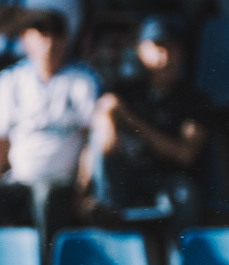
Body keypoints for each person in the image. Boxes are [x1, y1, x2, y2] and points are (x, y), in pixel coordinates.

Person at [0, 9, 99, 247]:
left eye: (55, 35)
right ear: (26, 39)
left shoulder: (82, 79)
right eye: (41, 34)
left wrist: (84, 192)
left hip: (62, 184)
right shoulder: (10, 79)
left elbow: (89, 142)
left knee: (47, 196)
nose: (49, 42)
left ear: (66, 40)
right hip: (20, 180)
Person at [88, 16, 209, 230]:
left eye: (172, 48)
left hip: (168, 179)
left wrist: (131, 121)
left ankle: (180, 261)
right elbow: (105, 113)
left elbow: (184, 154)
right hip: (126, 178)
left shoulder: (194, 100)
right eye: (157, 47)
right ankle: (107, 211)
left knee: (184, 194)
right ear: (141, 51)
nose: (165, 56)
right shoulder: (125, 91)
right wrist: (107, 119)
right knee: (98, 138)